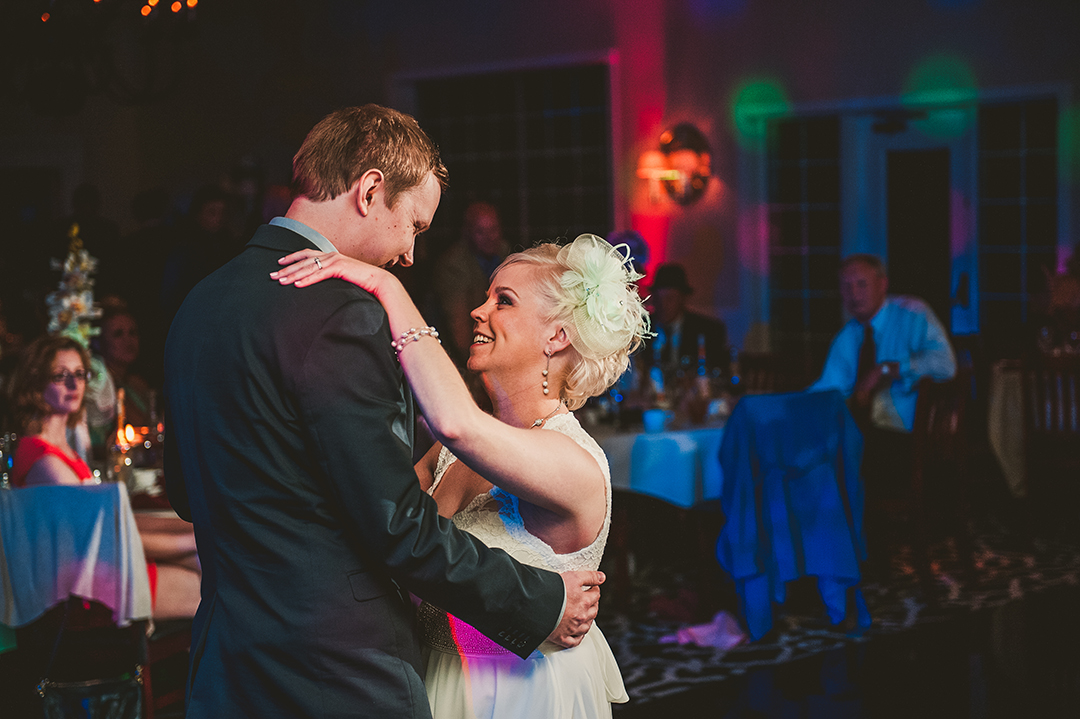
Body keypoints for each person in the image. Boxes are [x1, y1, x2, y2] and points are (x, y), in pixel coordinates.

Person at [164, 105, 604, 719]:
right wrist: (539, 603)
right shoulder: (342, 313)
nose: (409, 255)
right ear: (371, 191)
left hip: (228, 661)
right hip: (339, 669)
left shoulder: (199, 304)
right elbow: (396, 525)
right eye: (415, 226)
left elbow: (186, 491)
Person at [273, 232, 645, 717]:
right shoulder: (450, 453)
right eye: (487, 296)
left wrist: (386, 286)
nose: (478, 310)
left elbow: (456, 422)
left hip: (521, 693)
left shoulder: (572, 460)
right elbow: (382, 527)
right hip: (433, 676)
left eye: (503, 301)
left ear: (557, 336)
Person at [7, 334, 200, 619]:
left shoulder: (61, 451)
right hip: (95, 583)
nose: (74, 384)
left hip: (107, 565)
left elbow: (117, 521)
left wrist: (193, 531)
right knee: (217, 578)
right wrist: (195, 538)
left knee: (214, 560)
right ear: (36, 381)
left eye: (80, 374)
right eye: (61, 376)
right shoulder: (43, 460)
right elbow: (102, 536)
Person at [434, 201, 512, 362]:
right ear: (467, 233)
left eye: (493, 229)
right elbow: (459, 326)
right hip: (465, 353)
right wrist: (474, 363)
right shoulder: (454, 265)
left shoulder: (506, 254)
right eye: (480, 232)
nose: (489, 238)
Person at [641, 263, 729, 375]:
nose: (663, 305)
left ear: (682, 299)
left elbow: (718, 371)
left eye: (670, 299)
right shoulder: (640, 329)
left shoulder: (708, 330)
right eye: (658, 298)